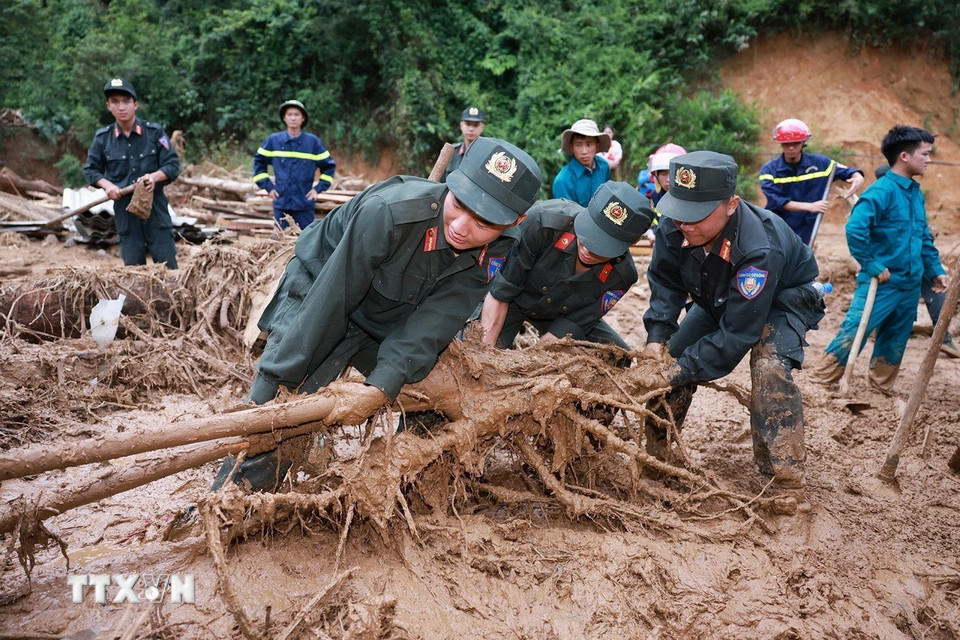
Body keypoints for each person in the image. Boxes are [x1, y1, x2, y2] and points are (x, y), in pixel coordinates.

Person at [212, 137, 542, 492]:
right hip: (322, 286)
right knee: (285, 401)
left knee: (435, 399)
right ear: (452, 183)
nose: (462, 226)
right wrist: (280, 378)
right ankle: (234, 495)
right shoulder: (390, 211)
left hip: (394, 311)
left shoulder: (499, 247)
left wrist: (381, 387)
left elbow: (433, 322)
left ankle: (386, 488)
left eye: (484, 222)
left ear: (515, 220)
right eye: (459, 204)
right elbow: (330, 301)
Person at [643, 151, 824, 488]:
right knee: (666, 359)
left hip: (786, 296)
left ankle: (782, 481)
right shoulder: (676, 223)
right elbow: (666, 282)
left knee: (769, 368)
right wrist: (657, 338)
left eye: (697, 215)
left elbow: (738, 333)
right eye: (680, 212)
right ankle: (657, 458)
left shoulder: (759, 247)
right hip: (721, 293)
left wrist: (680, 371)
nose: (685, 224)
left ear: (731, 204)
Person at [813, 126, 949, 389]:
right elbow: (855, 229)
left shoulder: (914, 193)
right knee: (855, 331)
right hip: (882, 281)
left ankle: (881, 387)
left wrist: (934, 270)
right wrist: (872, 264)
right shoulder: (881, 192)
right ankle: (820, 381)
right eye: (925, 154)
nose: (929, 159)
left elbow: (922, 237)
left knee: (896, 338)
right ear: (904, 156)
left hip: (910, 283)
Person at [480, 181, 652, 350]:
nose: (587, 248)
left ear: (633, 242)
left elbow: (578, 320)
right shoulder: (543, 222)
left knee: (616, 356)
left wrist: (535, 360)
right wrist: (486, 353)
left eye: (602, 246)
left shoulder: (622, 276)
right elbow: (501, 291)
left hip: (561, 316)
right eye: (588, 232)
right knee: (480, 346)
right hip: (513, 301)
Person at [82, 78, 181, 268]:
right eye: (115, 102)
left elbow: (172, 165)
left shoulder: (154, 133)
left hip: (155, 207)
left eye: (126, 101)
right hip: (125, 211)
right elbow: (91, 170)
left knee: (168, 269)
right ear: (108, 106)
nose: (121, 107)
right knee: (133, 272)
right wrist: (108, 185)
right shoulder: (103, 139)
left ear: (135, 104)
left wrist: (154, 177)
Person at [874, 163, 958, 358]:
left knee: (932, 287)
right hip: (898, 264)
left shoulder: (899, 197)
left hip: (907, 262)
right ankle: (943, 338)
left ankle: (943, 338)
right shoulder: (892, 198)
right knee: (926, 289)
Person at [759, 118, 865, 245]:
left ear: (803, 142)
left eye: (796, 143)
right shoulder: (769, 170)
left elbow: (847, 171)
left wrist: (857, 176)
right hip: (777, 226)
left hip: (806, 228)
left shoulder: (821, 164)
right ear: (780, 144)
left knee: (801, 260)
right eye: (787, 144)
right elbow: (776, 201)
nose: (791, 147)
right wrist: (810, 206)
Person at [252, 99, 336, 230]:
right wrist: (268, 187)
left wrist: (318, 189)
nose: (293, 118)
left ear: (303, 118)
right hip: (281, 202)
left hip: (304, 203)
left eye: (296, 115)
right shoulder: (273, 141)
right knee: (280, 241)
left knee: (306, 241)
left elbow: (329, 166)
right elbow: (258, 163)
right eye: (289, 114)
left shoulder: (312, 142)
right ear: (284, 118)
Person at [552, 119, 611, 207]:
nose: (584, 151)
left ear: (597, 145)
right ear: (572, 147)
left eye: (589, 144)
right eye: (578, 145)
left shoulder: (604, 167)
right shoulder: (563, 181)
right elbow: (566, 216)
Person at [643, 143, 687, 241]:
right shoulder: (656, 195)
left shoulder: (690, 197)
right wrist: (654, 231)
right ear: (656, 176)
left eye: (672, 173)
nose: (668, 179)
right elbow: (658, 219)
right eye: (663, 174)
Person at [441, 106, 485, 182]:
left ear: (482, 127)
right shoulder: (451, 152)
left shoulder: (487, 155)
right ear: (461, 125)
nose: (471, 129)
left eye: (476, 125)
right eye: (467, 124)